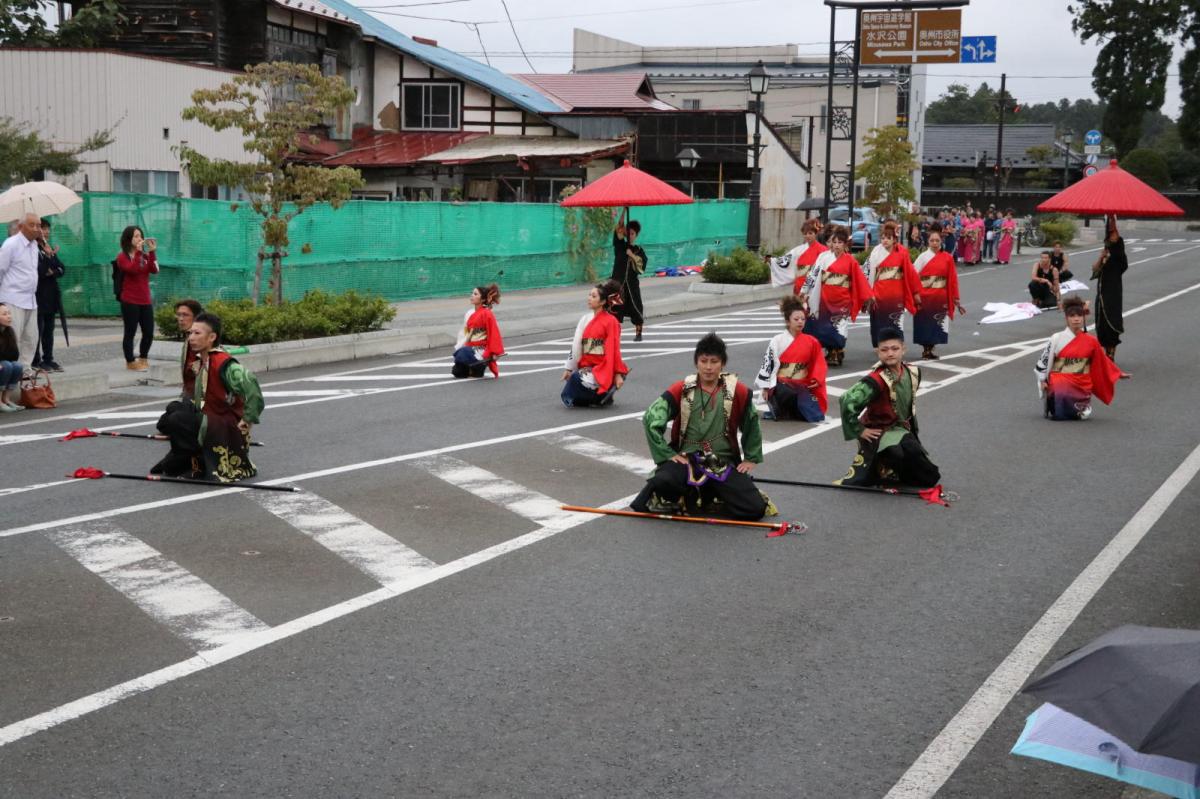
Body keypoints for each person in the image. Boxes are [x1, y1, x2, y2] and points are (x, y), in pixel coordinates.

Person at [631, 332, 769, 520]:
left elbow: (751, 423)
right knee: (663, 480)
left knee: (754, 508)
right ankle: (696, 494)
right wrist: (667, 454)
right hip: (687, 458)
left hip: (719, 462)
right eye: (704, 361)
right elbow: (651, 418)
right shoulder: (682, 388)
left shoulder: (738, 391)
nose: (709, 367)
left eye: (714, 361)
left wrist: (751, 457)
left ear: (723, 363)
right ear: (697, 362)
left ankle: (707, 495)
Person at [153, 312, 263, 482]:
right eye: (190, 333)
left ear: (212, 337)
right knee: (174, 411)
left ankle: (199, 465)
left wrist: (248, 419)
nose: (191, 338)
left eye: (197, 333)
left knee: (178, 420)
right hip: (210, 413)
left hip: (223, 420)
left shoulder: (224, 363)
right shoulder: (203, 358)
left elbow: (252, 388)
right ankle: (186, 461)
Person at [835, 327, 940, 489]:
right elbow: (847, 400)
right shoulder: (875, 380)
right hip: (878, 430)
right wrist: (860, 430)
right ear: (878, 352)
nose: (890, 353)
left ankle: (893, 467)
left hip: (900, 428)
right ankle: (880, 465)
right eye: (884, 350)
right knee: (895, 452)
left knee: (928, 477)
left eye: (894, 349)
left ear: (903, 350)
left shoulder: (913, 372)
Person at [1034, 296, 1121, 421]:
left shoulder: (1091, 341)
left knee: (1081, 415)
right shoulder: (1056, 338)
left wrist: (1118, 373)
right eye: (1072, 316)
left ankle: (1077, 405)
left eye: (1079, 316)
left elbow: (1102, 360)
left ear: (1083, 318)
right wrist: (1042, 381)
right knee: (1060, 395)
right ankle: (1055, 404)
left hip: (1081, 381)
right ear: (1067, 318)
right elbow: (1044, 360)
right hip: (1059, 379)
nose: (1076, 319)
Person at [799, 225, 872, 367]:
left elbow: (859, 280)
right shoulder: (823, 258)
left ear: (845, 244)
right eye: (835, 242)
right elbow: (813, 274)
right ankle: (831, 350)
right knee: (824, 325)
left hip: (842, 299)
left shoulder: (851, 261)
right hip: (825, 297)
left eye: (840, 242)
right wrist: (805, 290)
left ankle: (837, 350)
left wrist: (868, 297)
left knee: (839, 325)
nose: (837, 245)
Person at [755, 295, 828, 422]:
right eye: (796, 319)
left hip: (801, 384)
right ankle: (781, 408)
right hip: (782, 386)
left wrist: (817, 378)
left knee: (815, 416)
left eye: (803, 319)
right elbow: (769, 365)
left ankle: (785, 411)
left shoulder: (812, 341)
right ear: (788, 321)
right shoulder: (777, 340)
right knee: (790, 401)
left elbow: (819, 363)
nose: (800, 321)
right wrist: (766, 388)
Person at [561, 279, 629, 407]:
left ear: (603, 301)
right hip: (587, 366)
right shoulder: (585, 319)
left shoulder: (611, 322)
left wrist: (618, 374)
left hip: (602, 367)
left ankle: (604, 392)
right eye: (589, 295)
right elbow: (576, 345)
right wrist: (569, 368)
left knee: (577, 380)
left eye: (593, 296)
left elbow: (614, 350)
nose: (589, 298)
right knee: (573, 383)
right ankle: (599, 396)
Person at [866, 222, 922, 347]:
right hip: (879, 293)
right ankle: (882, 345)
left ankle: (897, 345)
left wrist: (916, 292)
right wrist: (869, 293)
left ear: (895, 239)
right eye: (883, 238)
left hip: (897, 294)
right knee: (880, 322)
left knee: (896, 321)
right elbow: (869, 272)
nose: (885, 240)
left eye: (888, 238)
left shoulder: (902, 253)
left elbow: (910, 273)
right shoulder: (875, 252)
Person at [912, 230, 965, 360]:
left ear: (941, 241)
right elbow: (912, 275)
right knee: (925, 323)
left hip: (940, 295)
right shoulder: (923, 257)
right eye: (932, 241)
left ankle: (931, 348)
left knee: (937, 323)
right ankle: (926, 349)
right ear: (928, 242)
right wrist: (915, 293)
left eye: (937, 241)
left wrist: (955, 298)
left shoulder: (947, 258)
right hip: (925, 295)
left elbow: (952, 279)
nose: (935, 243)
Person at [0, 212, 43, 369]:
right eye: (32, 225)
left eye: (38, 225)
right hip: (13, 298)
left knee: (31, 338)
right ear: (20, 227)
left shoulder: (34, 246)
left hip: (31, 299)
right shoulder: (11, 244)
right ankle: (10, 370)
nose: (36, 229)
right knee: (14, 337)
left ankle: (25, 370)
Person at [116, 225, 159, 371]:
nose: (139, 239)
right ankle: (130, 361)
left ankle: (143, 358)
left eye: (140, 236)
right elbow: (132, 270)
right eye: (136, 236)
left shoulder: (145, 256)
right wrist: (139, 254)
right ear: (128, 239)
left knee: (148, 331)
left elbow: (155, 270)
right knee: (130, 331)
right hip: (130, 300)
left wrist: (152, 252)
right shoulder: (122, 256)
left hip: (145, 299)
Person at [1092, 215, 1130, 377]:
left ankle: (1111, 356)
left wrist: (1114, 228)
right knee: (1101, 322)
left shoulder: (1119, 258)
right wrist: (1102, 256)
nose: (1112, 236)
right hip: (1101, 292)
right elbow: (1094, 270)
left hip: (1113, 292)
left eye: (1114, 235)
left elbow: (1122, 261)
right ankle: (1105, 356)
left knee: (1112, 320)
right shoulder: (1105, 255)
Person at [32, 217, 65, 371]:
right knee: (37, 330)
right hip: (38, 296)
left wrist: (52, 268)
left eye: (47, 228)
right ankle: (36, 360)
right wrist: (47, 260)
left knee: (49, 331)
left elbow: (61, 268)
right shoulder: (33, 249)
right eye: (43, 228)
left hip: (51, 297)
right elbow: (40, 272)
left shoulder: (47, 247)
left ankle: (49, 358)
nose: (46, 231)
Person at [451, 283, 505, 379]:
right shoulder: (469, 313)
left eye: (475, 294)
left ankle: (479, 366)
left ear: (483, 299)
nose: (472, 295)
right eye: (472, 293)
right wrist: (461, 346)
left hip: (482, 348)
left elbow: (493, 334)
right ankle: (473, 368)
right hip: (471, 346)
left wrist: (495, 353)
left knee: (464, 356)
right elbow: (466, 333)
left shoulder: (487, 314)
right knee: (457, 371)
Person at [612, 211, 647, 341]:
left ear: (636, 235)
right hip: (618, 284)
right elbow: (619, 226)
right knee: (614, 308)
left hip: (631, 285)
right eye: (628, 233)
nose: (630, 236)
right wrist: (623, 210)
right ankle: (615, 334)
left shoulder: (638, 251)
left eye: (633, 234)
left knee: (636, 306)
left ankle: (638, 333)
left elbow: (641, 267)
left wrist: (631, 255)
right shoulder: (619, 246)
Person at [790, 219, 828, 300]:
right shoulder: (798, 250)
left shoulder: (823, 250)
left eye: (810, 233)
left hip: (814, 289)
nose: (807, 236)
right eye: (805, 234)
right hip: (799, 287)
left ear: (816, 233)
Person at [173, 299, 204, 395]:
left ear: (196, 317)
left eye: (185, 315)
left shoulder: (202, 341)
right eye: (179, 315)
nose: (181, 319)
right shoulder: (189, 339)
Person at [0, 303, 25, 412]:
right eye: (4, 314)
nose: (9, 316)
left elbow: (14, 354)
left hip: (4, 363)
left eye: (9, 313)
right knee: (6, 366)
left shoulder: (9, 331)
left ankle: (6, 399)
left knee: (17, 366)